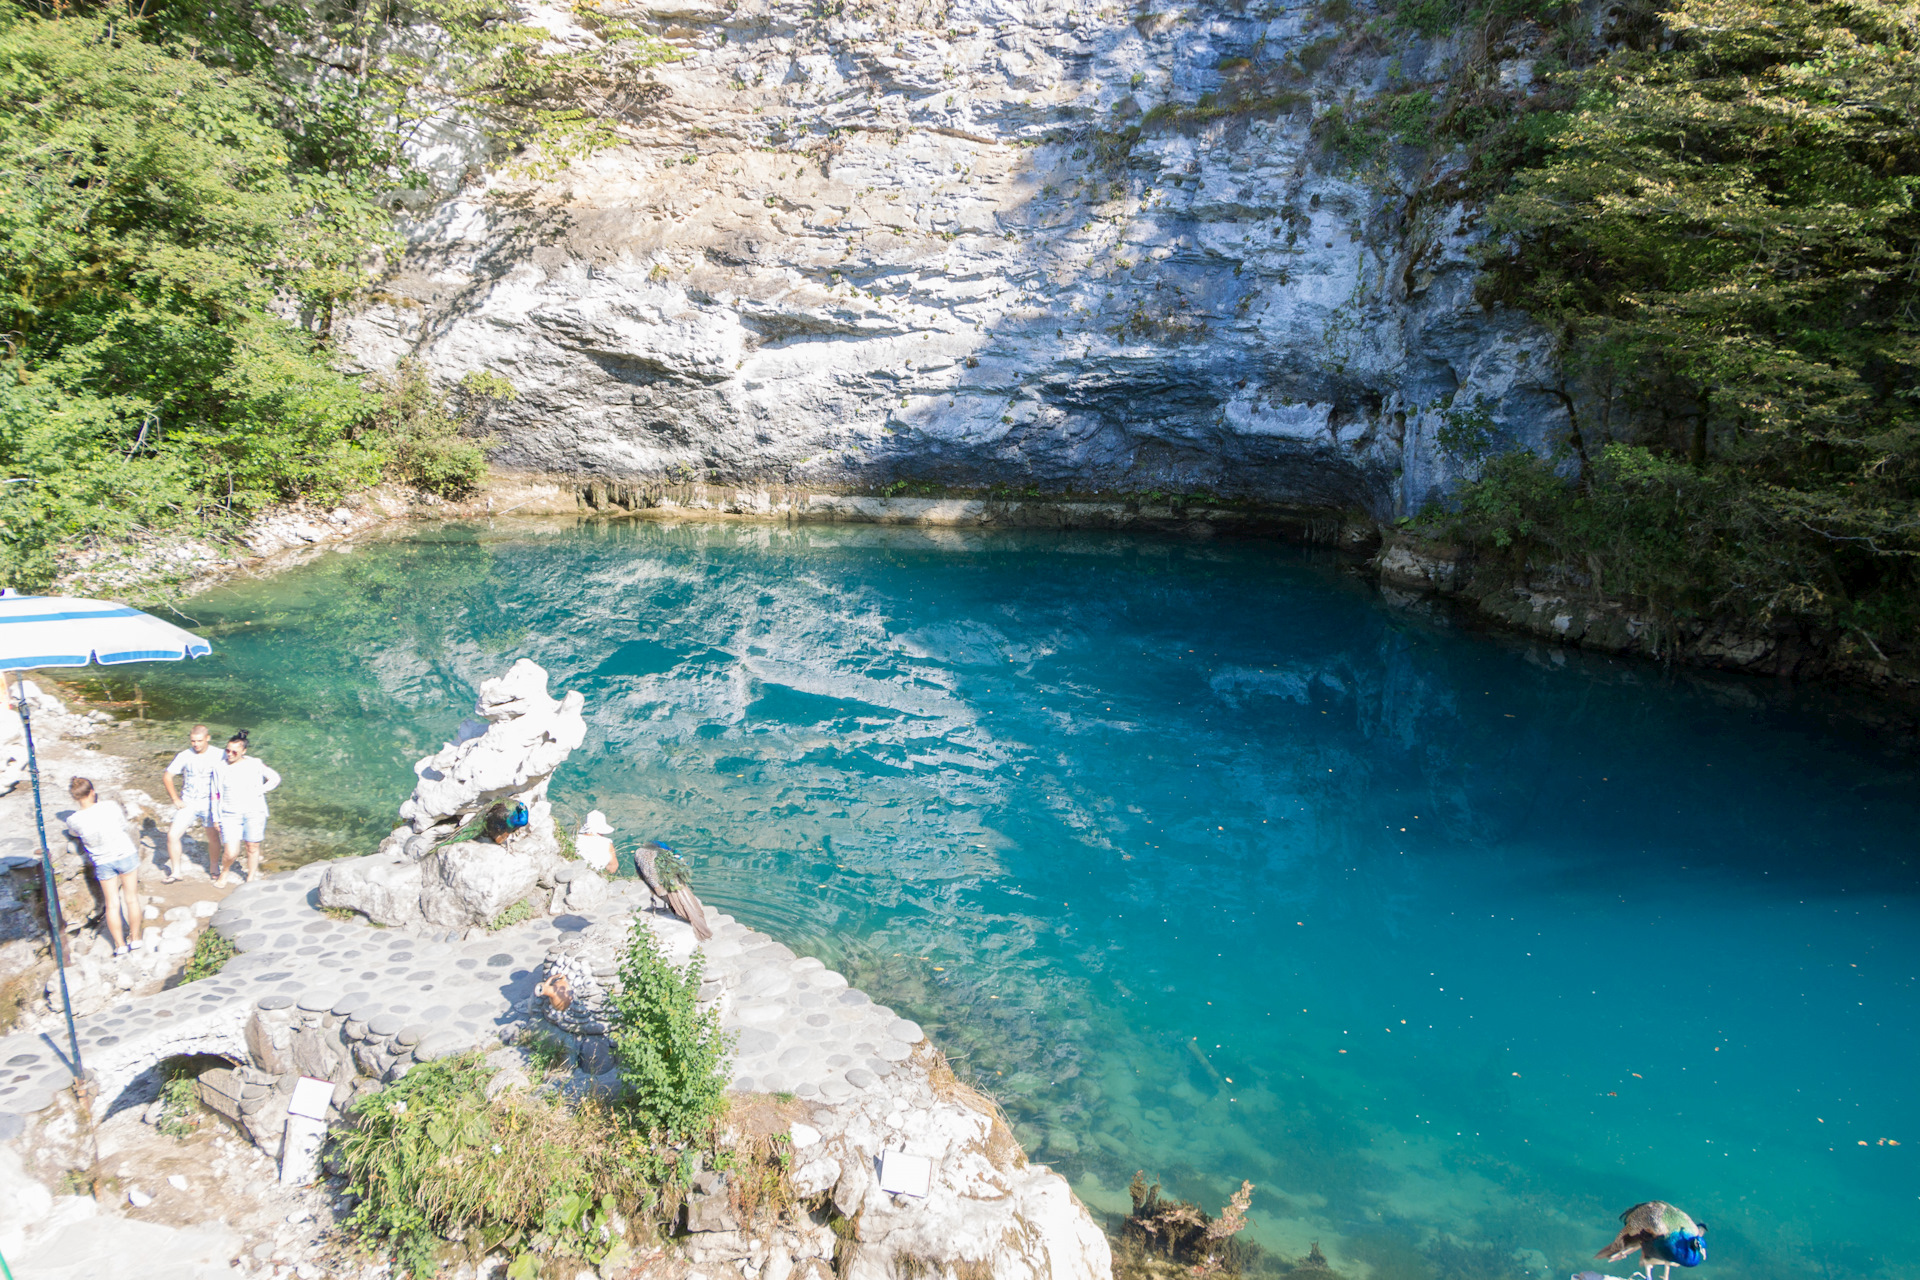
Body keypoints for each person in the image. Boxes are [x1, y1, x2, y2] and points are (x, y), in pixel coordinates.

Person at [65, 777, 143, 956]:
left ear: (75, 798)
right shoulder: (110, 806)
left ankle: (120, 945)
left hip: (103, 862)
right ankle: (136, 938)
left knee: (112, 904)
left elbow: (74, 833)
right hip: (125, 854)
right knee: (131, 899)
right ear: (92, 791)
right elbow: (123, 825)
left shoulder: (73, 819)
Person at [211, 729, 280, 884]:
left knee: (252, 846)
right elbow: (215, 794)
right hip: (229, 814)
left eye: (234, 752)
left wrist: (259, 790)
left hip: (254, 812)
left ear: (243, 751)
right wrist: (216, 818)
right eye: (227, 751)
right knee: (231, 851)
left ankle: (250, 878)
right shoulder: (220, 767)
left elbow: (275, 778)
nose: (229, 754)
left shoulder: (254, 763)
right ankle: (225, 872)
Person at [162, 724, 222, 883]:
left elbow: (234, 769)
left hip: (210, 803)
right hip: (189, 802)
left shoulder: (219, 754)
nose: (196, 744)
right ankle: (176, 872)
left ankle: (214, 867)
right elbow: (168, 776)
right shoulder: (184, 755)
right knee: (172, 835)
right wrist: (175, 799)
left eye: (199, 741)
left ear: (207, 738)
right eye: (193, 741)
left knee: (213, 837)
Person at [575, 810, 617, 874]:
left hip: (576, 871)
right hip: (596, 875)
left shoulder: (574, 839)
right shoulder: (607, 843)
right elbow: (612, 868)